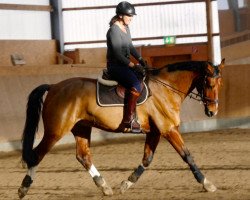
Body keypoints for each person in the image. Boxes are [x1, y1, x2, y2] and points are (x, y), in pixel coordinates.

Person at [106, 1, 147, 133]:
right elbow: (117, 54)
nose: (131, 18)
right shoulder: (113, 31)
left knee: (144, 77)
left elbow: (130, 47)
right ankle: (128, 119)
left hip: (125, 65)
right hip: (116, 66)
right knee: (136, 84)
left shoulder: (126, 28)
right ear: (120, 16)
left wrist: (140, 59)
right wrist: (133, 65)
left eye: (132, 16)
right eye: (129, 16)